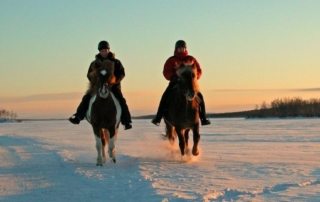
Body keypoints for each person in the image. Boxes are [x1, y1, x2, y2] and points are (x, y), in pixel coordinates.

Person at [69, 40, 132, 130]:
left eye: (106, 50)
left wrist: (114, 81)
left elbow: (122, 74)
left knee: (121, 100)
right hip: (98, 87)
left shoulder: (116, 62)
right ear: (99, 51)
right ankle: (78, 116)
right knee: (86, 97)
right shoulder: (94, 63)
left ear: (109, 50)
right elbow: (89, 75)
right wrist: (96, 81)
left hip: (113, 87)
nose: (104, 52)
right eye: (102, 50)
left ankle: (126, 121)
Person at [151, 40, 211, 126]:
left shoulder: (191, 59)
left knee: (200, 96)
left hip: (190, 84)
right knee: (165, 96)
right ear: (176, 49)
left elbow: (198, 70)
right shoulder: (171, 60)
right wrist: (173, 76)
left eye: (182, 48)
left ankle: (203, 118)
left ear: (185, 49)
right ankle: (158, 117)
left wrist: (194, 77)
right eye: (179, 48)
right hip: (175, 83)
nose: (181, 50)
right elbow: (166, 72)